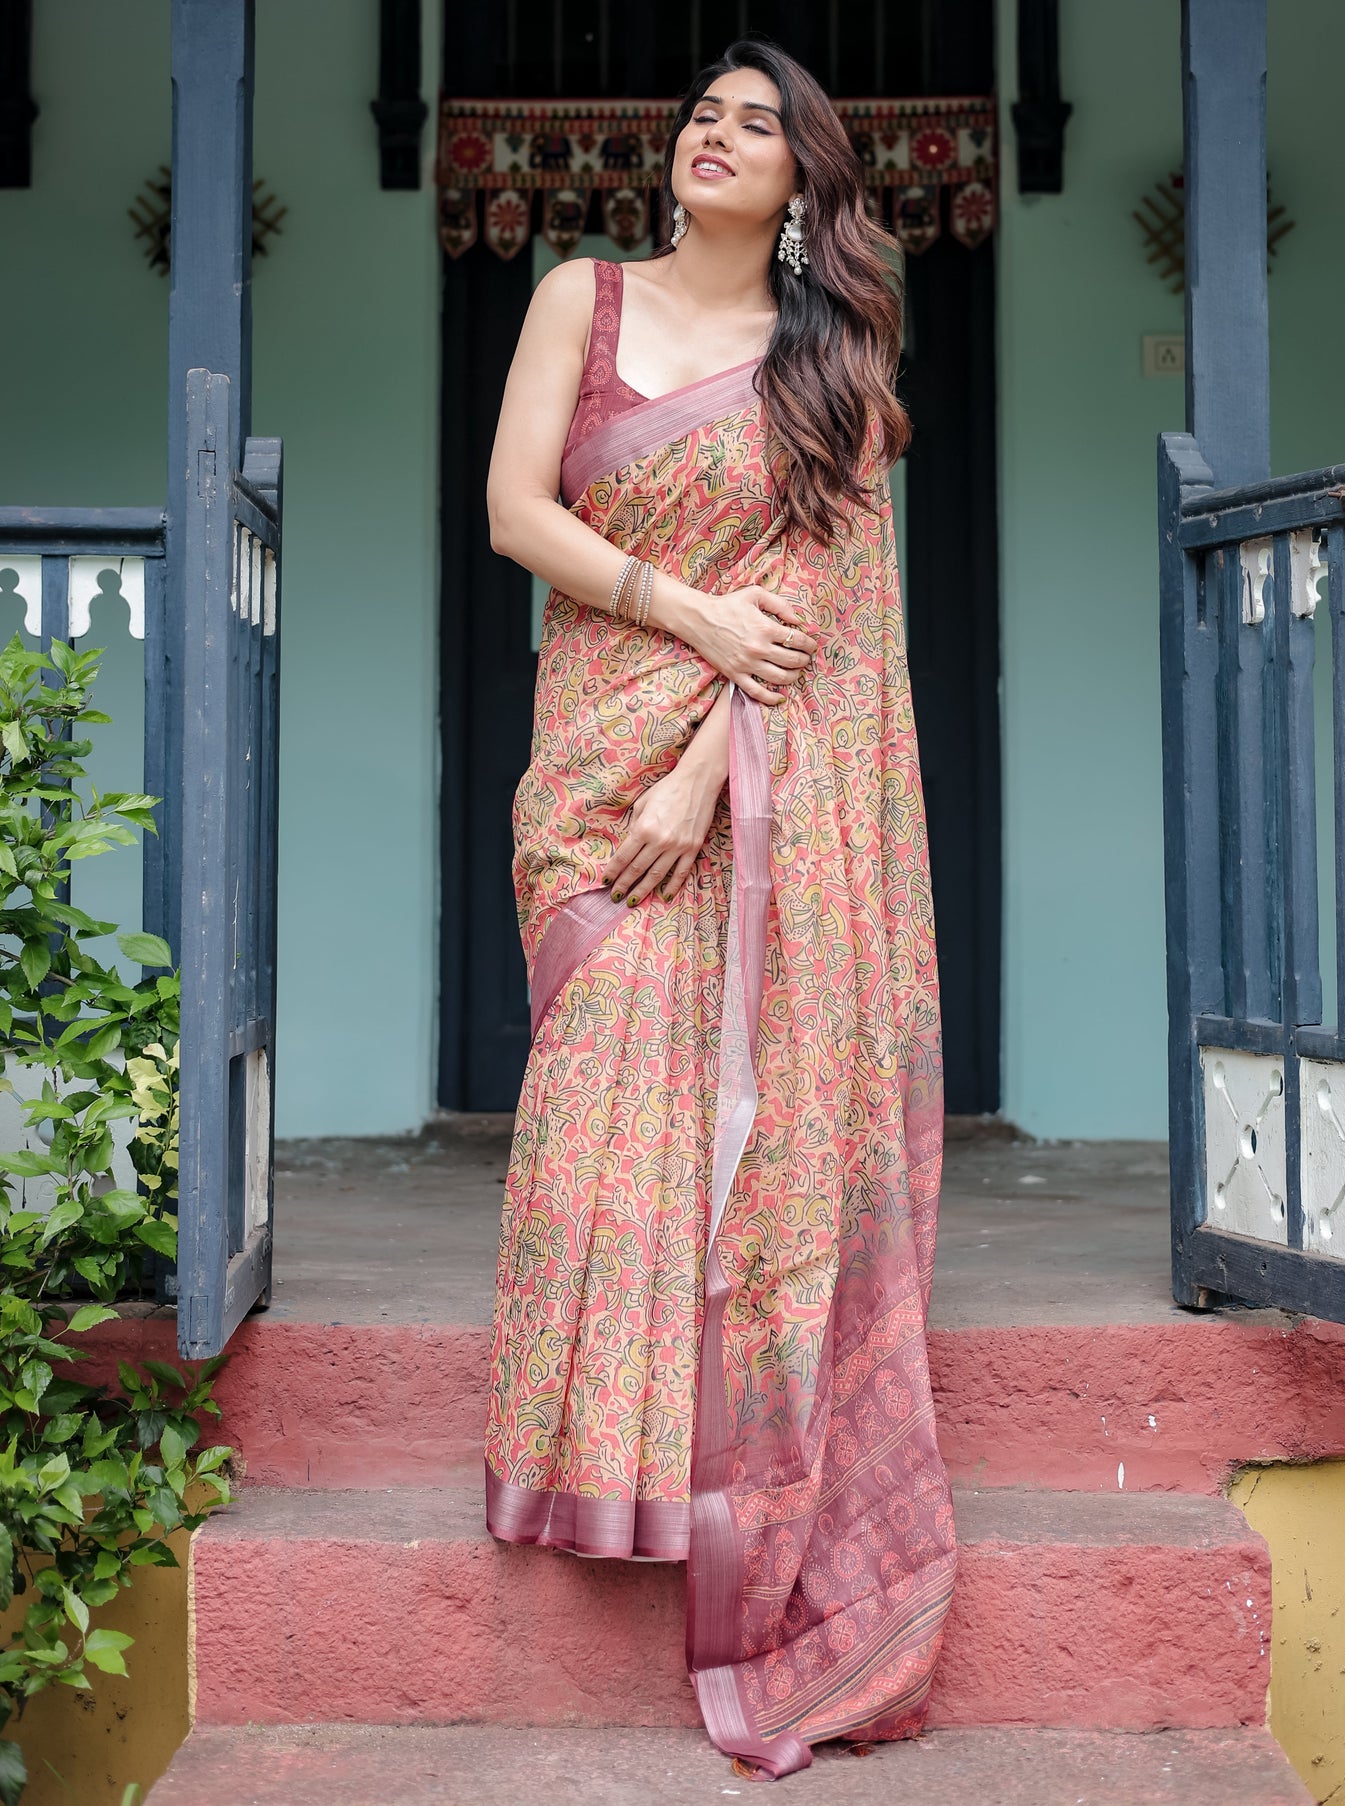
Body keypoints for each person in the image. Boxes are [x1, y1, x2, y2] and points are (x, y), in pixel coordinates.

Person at [484, 37, 956, 1780]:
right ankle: (582, 1465)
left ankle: (716, 1481)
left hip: (729, 779)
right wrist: (683, 621)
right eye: (703, 113)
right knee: (601, 1073)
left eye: (757, 127)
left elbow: (825, 621)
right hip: (594, 741)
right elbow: (512, 510)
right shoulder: (577, 301)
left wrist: (708, 773)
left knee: (727, 1135)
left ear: (805, 187)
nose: (715, 136)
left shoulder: (828, 361)